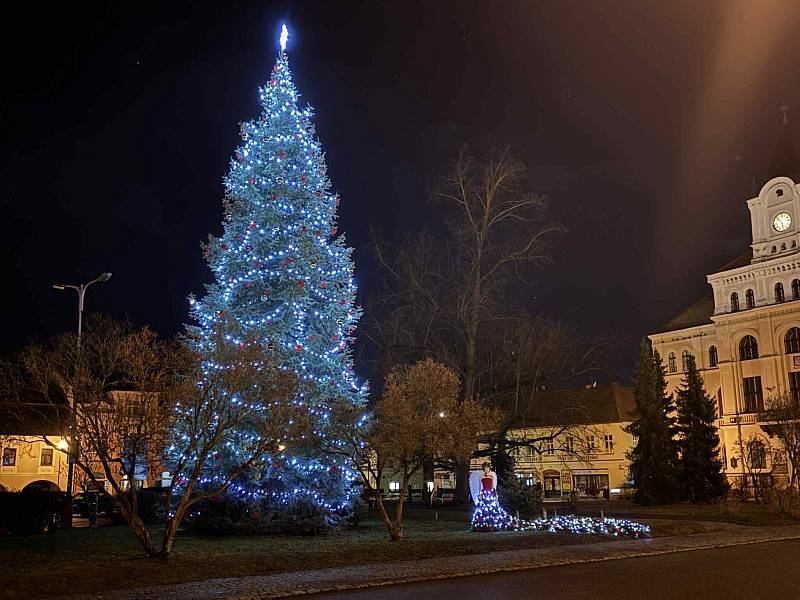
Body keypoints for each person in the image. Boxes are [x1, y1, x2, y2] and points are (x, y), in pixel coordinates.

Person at [470, 462, 521, 532]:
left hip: (491, 492)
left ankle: (495, 522)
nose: (487, 469)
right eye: (485, 468)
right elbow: (480, 487)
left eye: (488, 468)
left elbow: (493, 486)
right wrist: (480, 494)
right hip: (484, 492)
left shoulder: (492, 476)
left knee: (494, 507)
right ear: (483, 468)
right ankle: (484, 523)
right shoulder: (481, 476)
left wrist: (495, 493)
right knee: (484, 508)